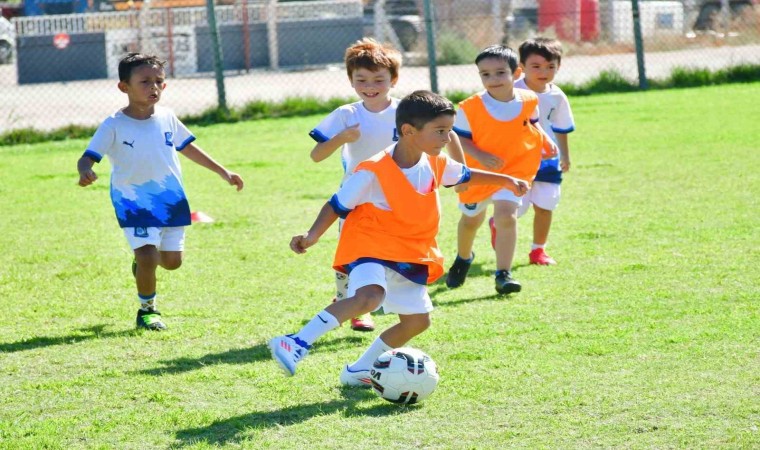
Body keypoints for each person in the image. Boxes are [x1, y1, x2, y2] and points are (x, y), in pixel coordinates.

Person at [269, 91, 529, 382]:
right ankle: (295, 341)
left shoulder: (435, 163)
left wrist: (507, 180)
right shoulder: (373, 171)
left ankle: (360, 370)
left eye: (449, 130)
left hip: (409, 252)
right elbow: (336, 204)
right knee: (369, 297)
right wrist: (312, 235)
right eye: (440, 131)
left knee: (417, 321)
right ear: (408, 131)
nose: (447, 138)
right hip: (369, 246)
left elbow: (466, 175)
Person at [77, 53, 244, 331]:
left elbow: (188, 147)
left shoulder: (168, 118)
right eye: (144, 82)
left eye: (158, 82)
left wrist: (223, 171)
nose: (153, 87)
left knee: (171, 262)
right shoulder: (113, 125)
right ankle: (147, 311)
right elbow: (88, 157)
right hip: (132, 201)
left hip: (171, 200)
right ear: (124, 87)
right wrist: (84, 170)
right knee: (147, 256)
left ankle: (142, 266)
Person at [308, 38, 465, 333]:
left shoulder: (406, 111)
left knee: (399, 248)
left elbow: (449, 134)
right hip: (358, 196)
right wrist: (341, 138)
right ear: (351, 81)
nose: (370, 86)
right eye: (361, 80)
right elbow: (316, 155)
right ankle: (354, 305)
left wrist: (460, 168)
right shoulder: (346, 115)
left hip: (402, 196)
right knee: (351, 252)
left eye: (378, 79)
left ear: (393, 79)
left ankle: (387, 298)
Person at [445, 45, 557, 295]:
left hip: (515, 169)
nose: (492, 80)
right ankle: (464, 258)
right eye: (485, 74)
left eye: (499, 73)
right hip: (479, 175)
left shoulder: (529, 99)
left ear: (516, 73)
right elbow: (458, 140)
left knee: (507, 215)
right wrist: (479, 156)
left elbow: (532, 124)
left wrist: (545, 139)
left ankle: (503, 274)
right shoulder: (469, 107)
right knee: (471, 221)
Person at [510, 37, 575, 265]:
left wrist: (564, 155)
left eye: (550, 67)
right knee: (517, 208)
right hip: (517, 159)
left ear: (558, 67)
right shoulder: (511, 91)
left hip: (548, 159)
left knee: (546, 205)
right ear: (521, 68)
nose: (543, 72)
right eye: (536, 66)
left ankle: (538, 251)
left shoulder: (557, 96)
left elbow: (562, 128)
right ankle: (499, 224)